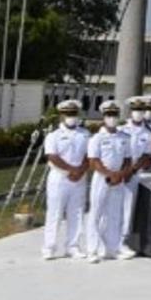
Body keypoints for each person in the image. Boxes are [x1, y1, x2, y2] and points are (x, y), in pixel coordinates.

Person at [42, 99, 90, 260]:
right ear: (61, 115)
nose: (71, 116)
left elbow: (89, 156)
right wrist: (71, 170)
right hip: (59, 178)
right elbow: (52, 157)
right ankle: (49, 247)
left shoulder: (85, 134)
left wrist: (80, 171)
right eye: (68, 114)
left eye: (74, 114)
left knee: (76, 213)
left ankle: (73, 246)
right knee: (54, 213)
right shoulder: (53, 136)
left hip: (79, 178)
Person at [85, 100, 131, 263]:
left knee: (115, 214)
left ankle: (113, 249)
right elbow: (93, 161)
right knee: (96, 214)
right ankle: (92, 250)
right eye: (109, 115)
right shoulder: (96, 138)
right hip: (102, 178)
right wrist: (109, 174)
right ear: (103, 117)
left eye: (114, 115)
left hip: (118, 179)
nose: (112, 118)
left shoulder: (124, 137)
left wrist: (120, 174)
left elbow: (127, 159)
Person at [119, 96, 151, 259]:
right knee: (110, 208)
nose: (138, 114)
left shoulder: (147, 133)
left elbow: (147, 155)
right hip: (117, 173)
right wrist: (122, 171)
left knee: (128, 208)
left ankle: (123, 242)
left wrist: (132, 170)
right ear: (130, 112)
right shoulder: (122, 130)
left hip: (133, 174)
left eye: (141, 111)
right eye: (135, 110)